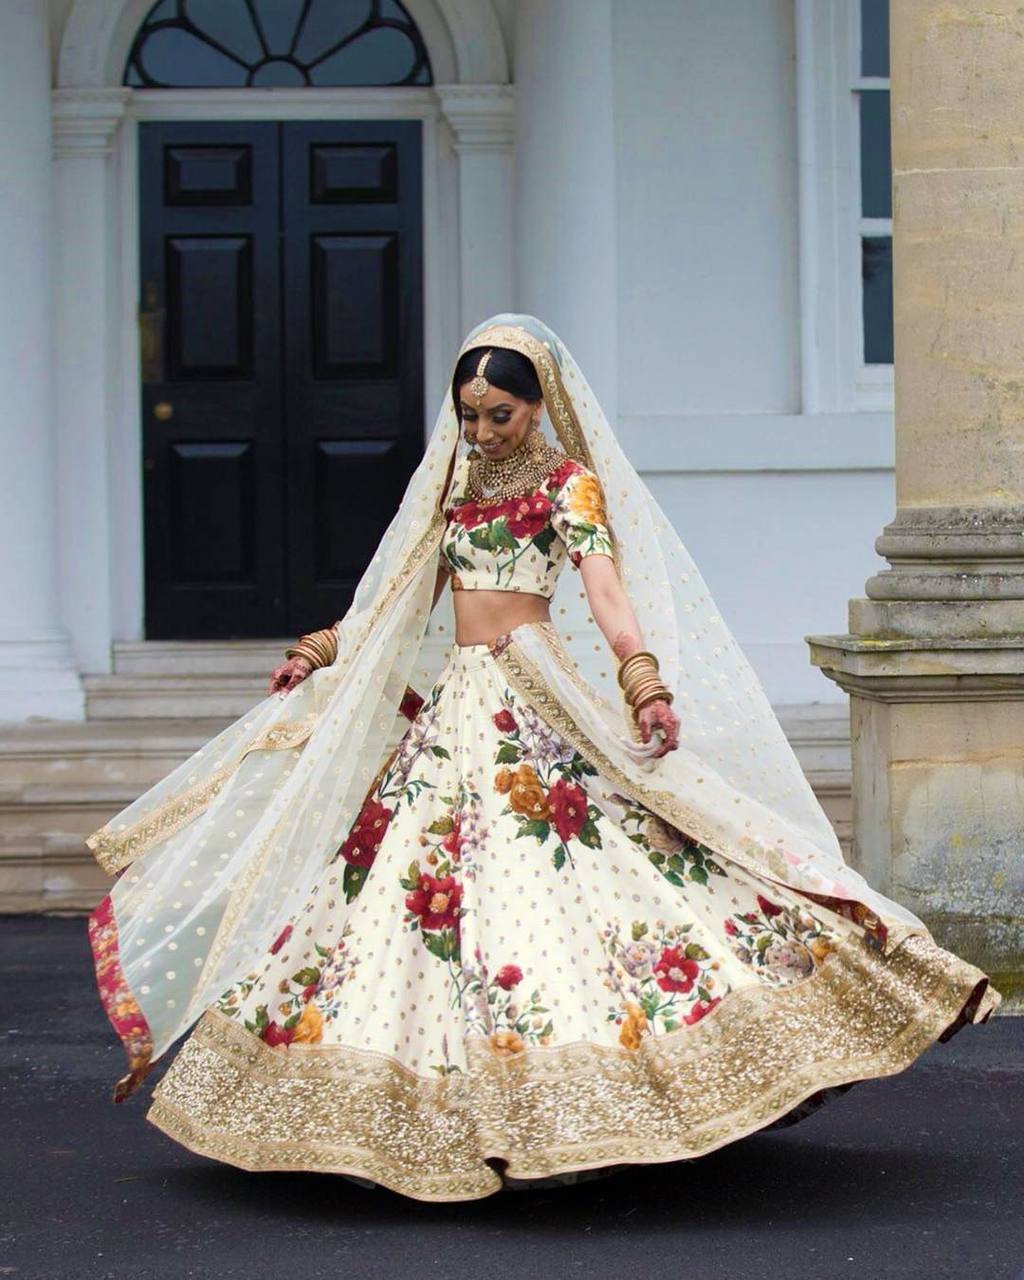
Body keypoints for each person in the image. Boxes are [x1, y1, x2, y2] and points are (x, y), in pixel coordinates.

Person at [86, 314, 1001, 1202]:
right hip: (458, 702)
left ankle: (587, 1104)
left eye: (501, 416)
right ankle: (398, 1109)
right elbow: (392, 596)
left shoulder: (566, 487)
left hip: (533, 690)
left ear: (538, 408)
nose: (481, 432)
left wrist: (642, 680)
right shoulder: (457, 489)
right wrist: (320, 650)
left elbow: (606, 589)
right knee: (406, 888)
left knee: (582, 873)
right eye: (470, 415)